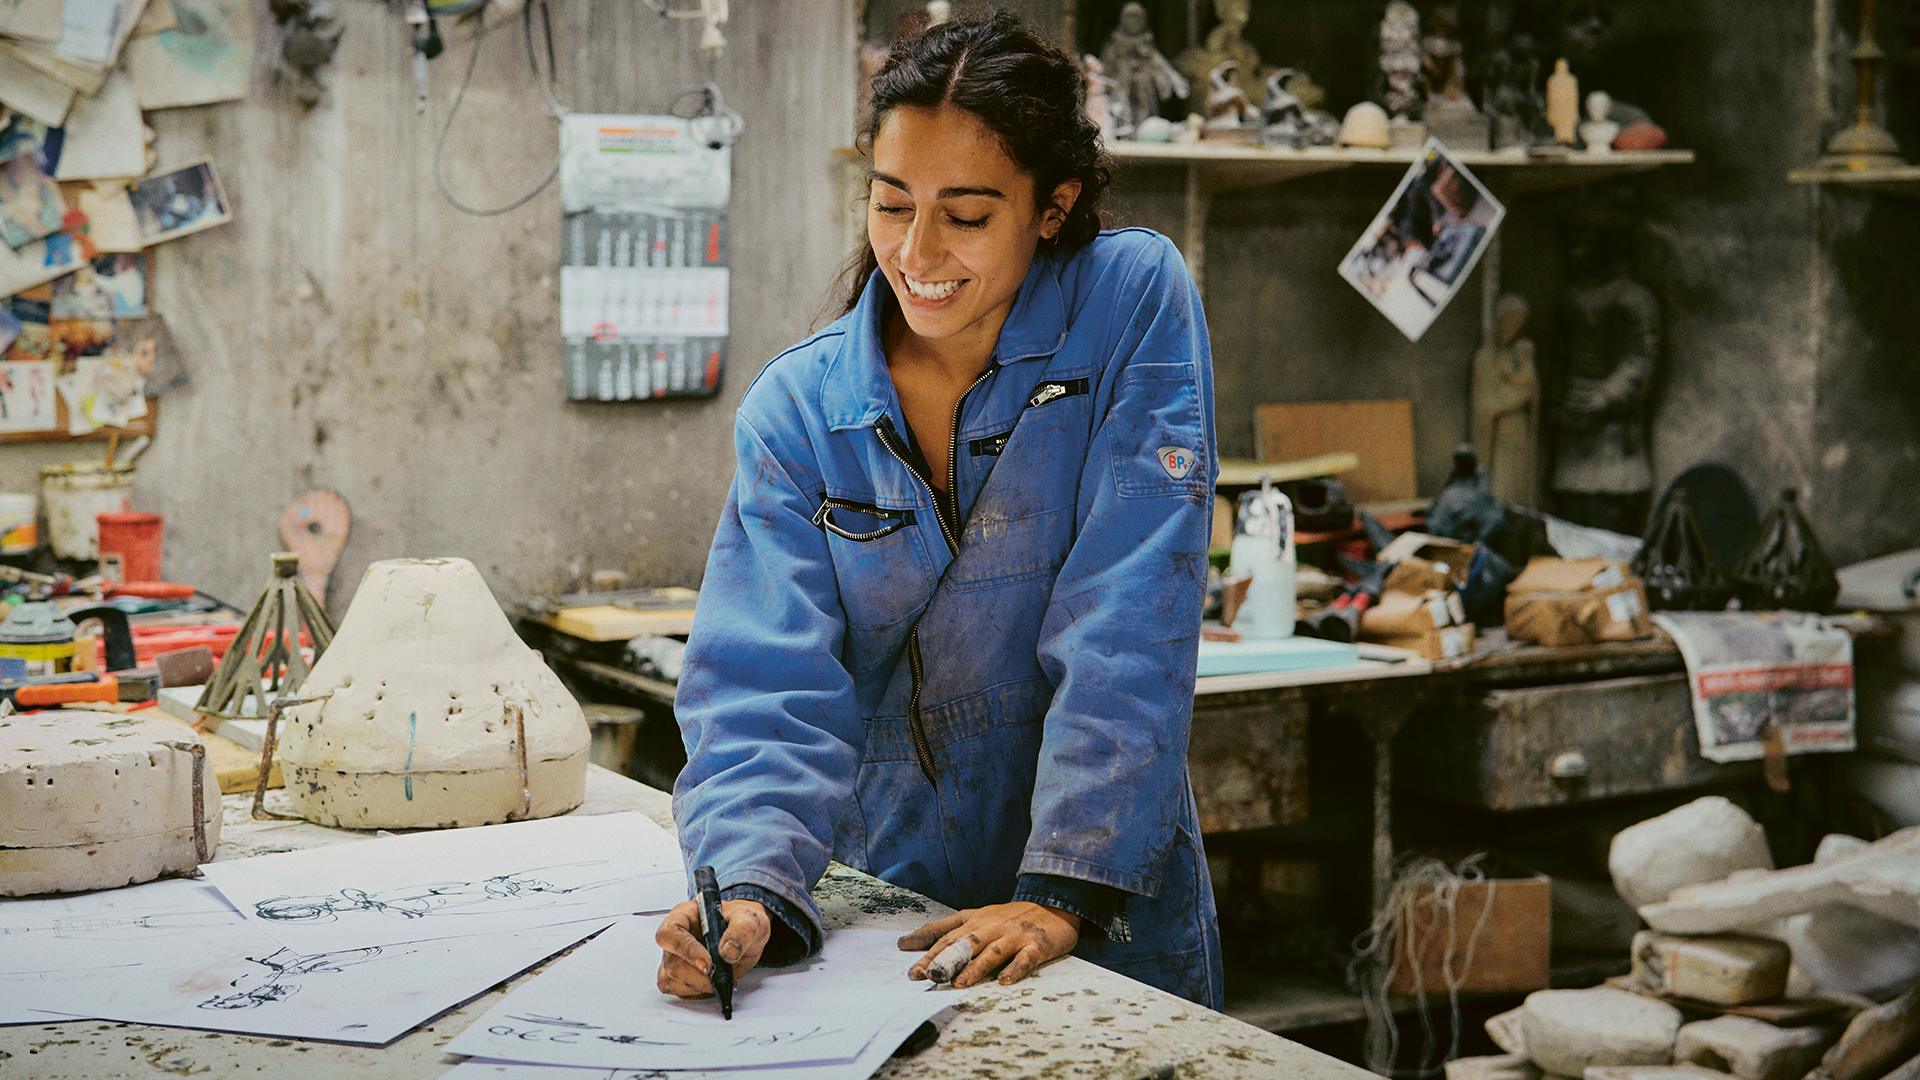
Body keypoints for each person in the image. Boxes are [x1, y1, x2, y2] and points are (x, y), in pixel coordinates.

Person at [655, 12, 1223, 1010]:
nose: (916, 250)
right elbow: (764, 684)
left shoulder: (1132, 300)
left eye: (966, 214)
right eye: (890, 204)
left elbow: (1131, 609)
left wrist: (1061, 892)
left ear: (1053, 206)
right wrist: (746, 889)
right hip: (891, 913)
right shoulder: (798, 409)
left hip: (1103, 899)